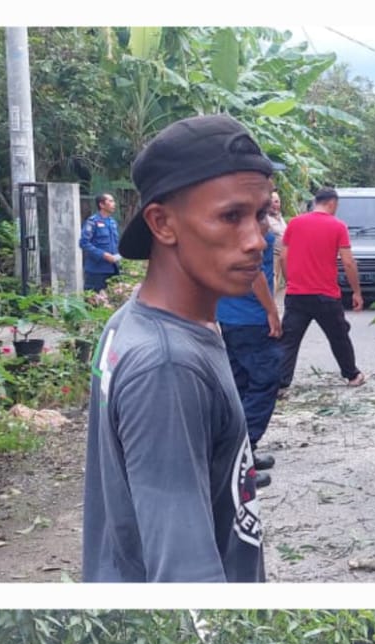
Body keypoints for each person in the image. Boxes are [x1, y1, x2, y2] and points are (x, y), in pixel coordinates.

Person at [81, 114, 273, 582]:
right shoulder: (167, 365)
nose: (256, 241)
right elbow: (186, 579)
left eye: (261, 214)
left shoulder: (132, 320)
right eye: (231, 217)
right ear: (162, 223)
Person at [278, 187, 365, 392]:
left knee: (289, 340)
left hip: (297, 294)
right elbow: (348, 262)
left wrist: (291, 281)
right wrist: (357, 292)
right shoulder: (338, 226)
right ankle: (352, 375)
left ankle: (280, 384)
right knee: (338, 336)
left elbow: (283, 257)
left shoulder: (295, 223)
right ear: (332, 203)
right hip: (326, 295)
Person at [217, 220, 283, 470]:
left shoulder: (228, 231)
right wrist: (272, 311)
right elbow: (254, 274)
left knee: (240, 384)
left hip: (229, 314)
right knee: (265, 380)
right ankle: (242, 450)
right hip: (251, 318)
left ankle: (234, 451)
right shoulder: (253, 234)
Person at [79, 193, 121, 292]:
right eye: (110, 201)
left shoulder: (112, 222)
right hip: (97, 270)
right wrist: (103, 255)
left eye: (113, 201)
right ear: (101, 205)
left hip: (113, 269)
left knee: (112, 302)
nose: (114, 204)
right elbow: (84, 243)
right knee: (94, 302)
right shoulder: (92, 222)